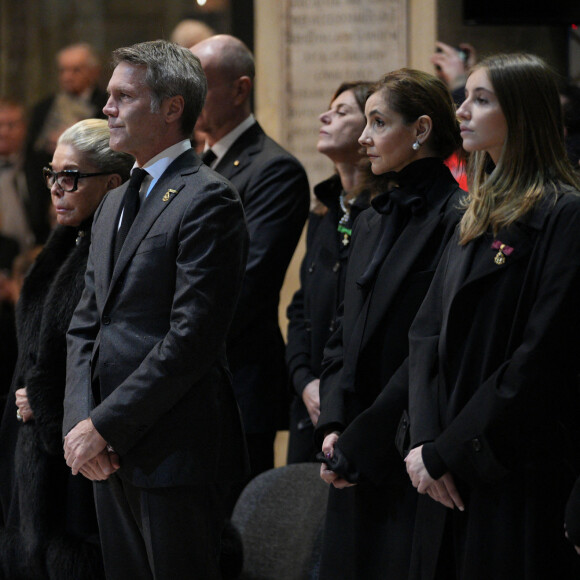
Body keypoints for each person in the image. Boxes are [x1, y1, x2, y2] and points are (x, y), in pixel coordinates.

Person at [62, 40, 249, 579]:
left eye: (123, 97)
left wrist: (106, 423)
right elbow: (86, 324)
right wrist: (82, 422)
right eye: (108, 96)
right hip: (104, 451)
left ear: (172, 107)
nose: (107, 109)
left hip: (173, 450)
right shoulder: (116, 198)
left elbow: (192, 339)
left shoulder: (207, 197)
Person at [404, 53, 580, 578]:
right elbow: (426, 332)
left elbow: (541, 354)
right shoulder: (474, 207)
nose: (462, 111)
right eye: (465, 98)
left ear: (523, 115)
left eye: (481, 101)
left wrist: (450, 450)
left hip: (508, 462)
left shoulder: (564, 212)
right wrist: (423, 443)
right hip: (440, 465)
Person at [315, 69, 464, 579]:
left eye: (378, 123)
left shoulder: (457, 216)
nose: (363, 137)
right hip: (349, 443)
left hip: (402, 439)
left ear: (420, 129)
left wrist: (364, 437)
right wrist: (333, 421)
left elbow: (430, 346)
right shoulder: (372, 213)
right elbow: (341, 328)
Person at [0, 118, 132, 579]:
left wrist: (45, 402)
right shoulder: (64, 241)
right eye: (52, 174)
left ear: (112, 182)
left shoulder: (117, 249)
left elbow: (117, 356)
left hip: (83, 455)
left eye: (71, 176)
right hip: (36, 452)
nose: (57, 188)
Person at [191, 34, 310, 479]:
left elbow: (248, 283)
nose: (187, 97)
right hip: (188, 381)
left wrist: (174, 344)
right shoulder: (194, 163)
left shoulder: (274, 169)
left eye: (200, 84)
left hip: (236, 381)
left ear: (240, 89)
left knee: (234, 535)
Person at [285, 81, 374, 463]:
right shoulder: (323, 212)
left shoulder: (383, 213)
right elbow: (300, 310)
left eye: (342, 112)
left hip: (359, 402)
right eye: (328, 108)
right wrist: (304, 380)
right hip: (310, 403)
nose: (325, 116)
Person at [24, 43, 108, 244]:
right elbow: (31, 158)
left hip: (91, 196)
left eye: (76, 70)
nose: (67, 76)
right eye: (63, 70)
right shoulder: (43, 109)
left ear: (94, 72)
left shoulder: (107, 106)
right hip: (47, 201)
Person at [0, 99, 37, 251]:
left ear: (24, 128)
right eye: (0, 125)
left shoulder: (38, 165)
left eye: (11, 125)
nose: (3, 132)